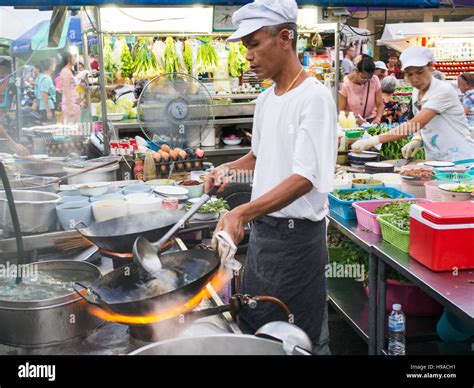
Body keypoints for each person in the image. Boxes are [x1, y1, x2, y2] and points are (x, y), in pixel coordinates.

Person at [205, 0, 337, 354]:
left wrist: (241, 212)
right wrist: (225, 171)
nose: (247, 56)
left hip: (297, 245)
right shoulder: (266, 99)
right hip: (264, 239)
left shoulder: (315, 98)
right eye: (245, 46)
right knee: (259, 329)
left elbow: (305, 178)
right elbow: (257, 157)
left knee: (295, 340)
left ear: (284, 38)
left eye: (253, 44)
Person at [352, 46, 474, 162]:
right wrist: (417, 138)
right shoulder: (416, 92)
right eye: (410, 74)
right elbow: (417, 122)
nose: (415, 79)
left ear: (431, 66)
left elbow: (414, 124)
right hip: (435, 160)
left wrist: (373, 140)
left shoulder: (442, 90)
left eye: (420, 72)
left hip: (460, 159)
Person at [339, 55, 384, 125]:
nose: (365, 81)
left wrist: (378, 118)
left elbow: (380, 104)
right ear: (357, 71)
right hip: (351, 123)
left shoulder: (374, 80)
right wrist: (355, 119)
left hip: (370, 121)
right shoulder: (346, 84)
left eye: (369, 78)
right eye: (363, 77)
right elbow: (341, 109)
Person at [59, 52, 81, 124]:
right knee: (71, 130)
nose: (75, 58)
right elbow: (66, 90)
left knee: (75, 129)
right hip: (70, 105)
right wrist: (69, 107)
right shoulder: (65, 71)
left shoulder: (68, 71)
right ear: (69, 59)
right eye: (73, 57)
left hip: (73, 104)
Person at [34, 58, 56, 124]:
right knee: (48, 127)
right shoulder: (46, 79)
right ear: (50, 66)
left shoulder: (42, 77)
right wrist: (48, 111)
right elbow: (44, 95)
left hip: (44, 107)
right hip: (47, 107)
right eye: (54, 64)